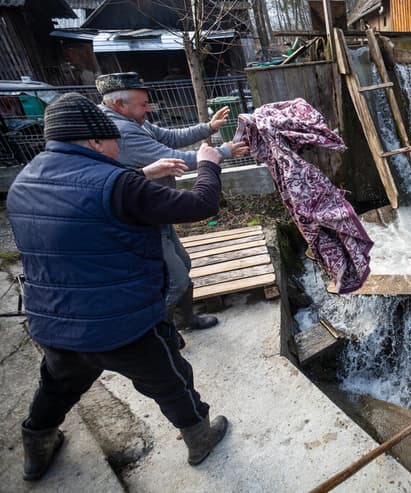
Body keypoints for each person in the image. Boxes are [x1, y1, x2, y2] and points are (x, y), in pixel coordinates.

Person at [7, 93, 229, 481]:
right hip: (123, 326)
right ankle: (199, 438)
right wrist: (210, 165)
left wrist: (145, 174)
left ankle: (37, 447)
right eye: (113, 140)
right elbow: (201, 206)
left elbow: (81, 202)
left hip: (54, 324)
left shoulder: (24, 181)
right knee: (172, 383)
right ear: (94, 141)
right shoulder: (118, 183)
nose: (118, 147)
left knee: (56, 388)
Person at [96, 72, 248, 339]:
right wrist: (221, 153)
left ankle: (184, 320)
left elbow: (170, 137)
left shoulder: (134, 120)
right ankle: (159, 335)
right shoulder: (121, 130)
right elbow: (175, 158)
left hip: (158, 211)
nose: (148, 109)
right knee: (175, 280)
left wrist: (208, 128)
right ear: (119, 104)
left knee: (183, 264)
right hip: (143, 217)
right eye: (143, 104)